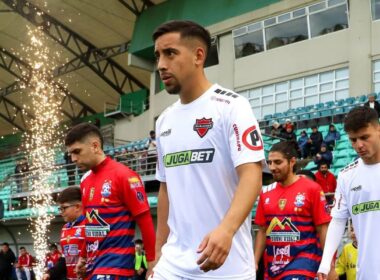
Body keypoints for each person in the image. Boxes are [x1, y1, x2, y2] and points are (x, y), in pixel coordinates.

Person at [152, 20, 264, 279]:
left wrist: (226, 230)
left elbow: (252, 175)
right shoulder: (164, 121)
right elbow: (166, 188)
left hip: (226, 266)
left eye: (170, 53)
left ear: (198, 56)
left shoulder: (231, 107)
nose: (161, 65)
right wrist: (158, 254)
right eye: (158, 56)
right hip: (172, 265)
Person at [65, 123, 155, 279]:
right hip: (94, 267)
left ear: (95, 146)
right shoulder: (85, 181)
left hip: (116, 267)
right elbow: (90, 225)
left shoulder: (125, 175)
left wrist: (152, 263)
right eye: (70, 154)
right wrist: (84, 257)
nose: (73, 159)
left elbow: (145, 221)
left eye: (77, 152)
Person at [317, 107, 380, 280]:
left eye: (364, 137)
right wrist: (325, 262)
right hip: (366, 273)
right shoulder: (346, 176)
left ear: (378, 129)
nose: (358, 145)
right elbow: (338, 221)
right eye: (353, 140)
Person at [254, 141, 331, 279]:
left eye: (278, 162)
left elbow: (323, 229)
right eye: (270, 162)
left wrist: (329, 264)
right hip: (273, 266)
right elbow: (262, 230)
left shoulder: (312, 189)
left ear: (292, 161)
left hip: (304, 262)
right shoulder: (265, 192)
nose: (272, 167)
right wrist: (254, 262)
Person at [43, 187, 85, 280]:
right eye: (60, 209)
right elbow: (64, 259)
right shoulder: (65, 228)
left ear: (77, 207)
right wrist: (50, 273)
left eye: (64, 208)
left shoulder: (90, 224)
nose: (61, 212)